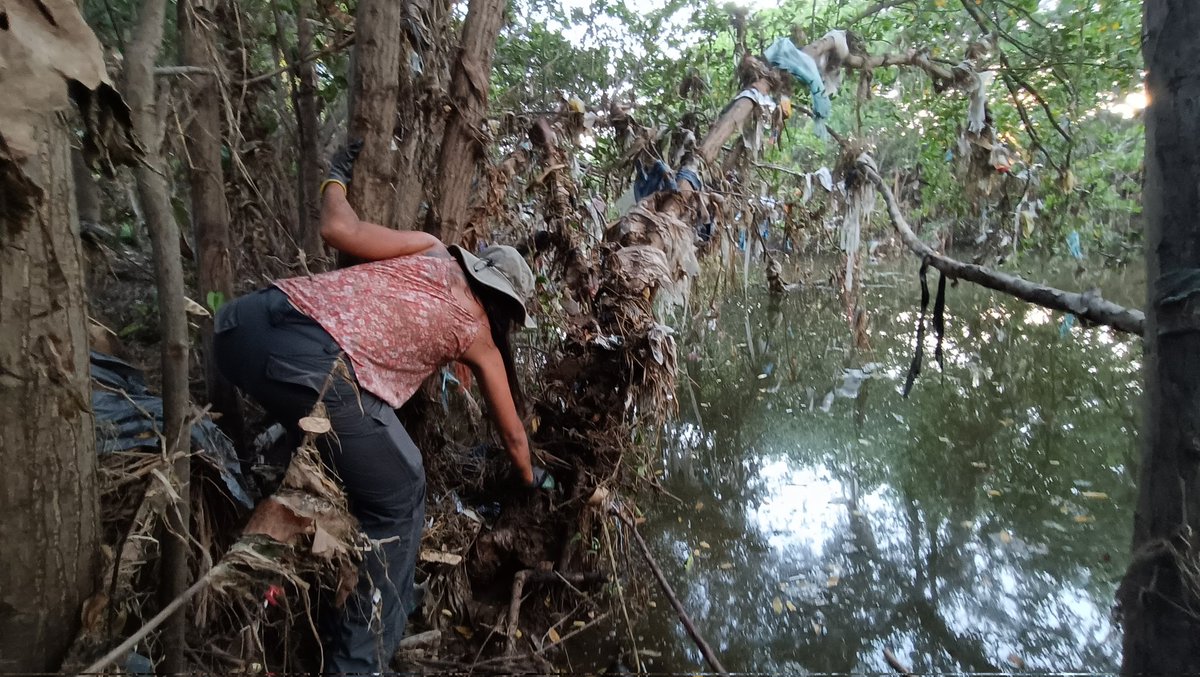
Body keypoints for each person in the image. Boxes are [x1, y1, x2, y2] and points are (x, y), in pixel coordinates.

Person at [213, 142, 555, 673]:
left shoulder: (428, 248)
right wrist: (533, 479)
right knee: (403, 489)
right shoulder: (480, 332)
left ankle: (282, 574)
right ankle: (358, 662)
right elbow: (512, 435)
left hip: (243, 326)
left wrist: (336, 176)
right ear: (503, 304)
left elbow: (337, 228)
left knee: (328, 450)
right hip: (316, 367)